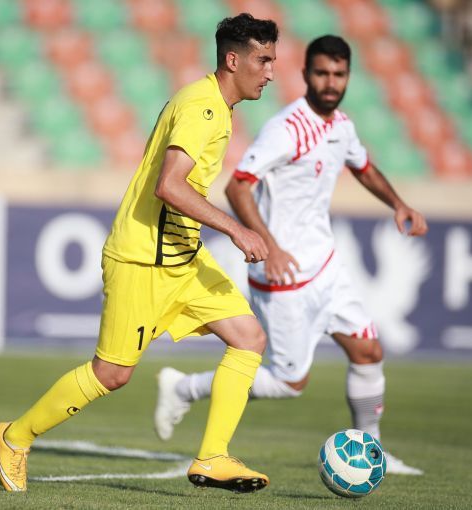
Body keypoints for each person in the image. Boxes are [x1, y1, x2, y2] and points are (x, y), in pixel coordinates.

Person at [0, 13, 279, 493]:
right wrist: (236, 229)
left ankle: (213, 457)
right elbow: (170, 185)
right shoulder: (203, 108)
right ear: (233, 60)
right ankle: (14, 438)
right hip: (144, 259)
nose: (271, 72)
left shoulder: (214, 105)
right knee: (112, 374)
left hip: (182, 258)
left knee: (249, 337)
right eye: (263, 60)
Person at [154, 35, 428, 476]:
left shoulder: (342, 126)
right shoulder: (287, 128)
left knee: (368, 351)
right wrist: (272, 247)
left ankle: (373, 450)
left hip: (326, 267)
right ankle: (184, 387)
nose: (330, 82)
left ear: (348, 77)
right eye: (322, 73)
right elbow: (238, 186)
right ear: (305, 75)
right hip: (282, 276)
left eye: (339, 74)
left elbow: (363, 167)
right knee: (289, 382)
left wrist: (398, 204)